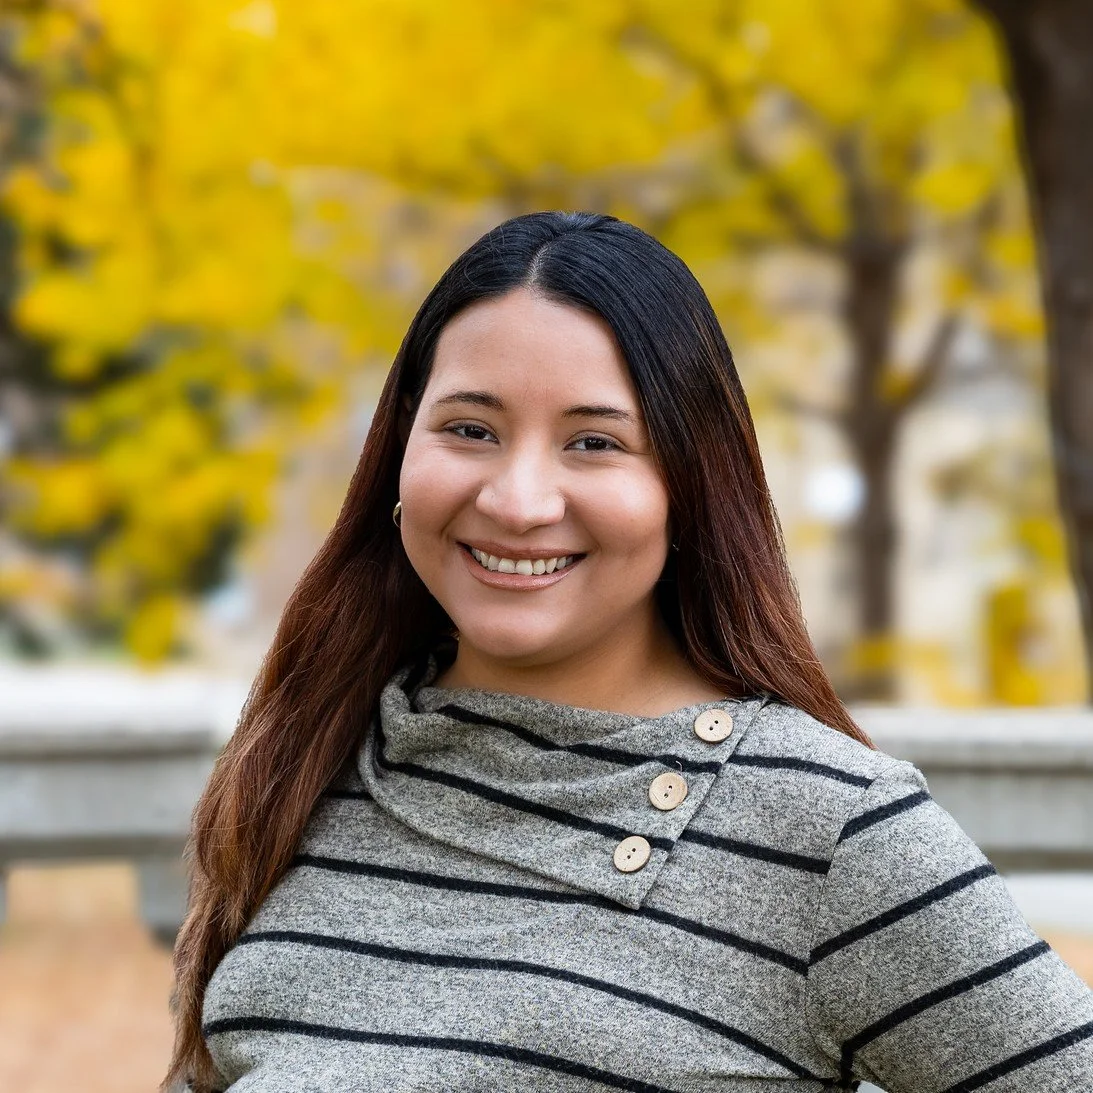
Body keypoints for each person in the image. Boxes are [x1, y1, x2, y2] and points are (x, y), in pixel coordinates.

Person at [163, 211, 1093, 1093]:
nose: (519, 500)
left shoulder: (832, 832)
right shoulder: (301, 763)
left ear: (688, 486)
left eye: (595, 442)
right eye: (470, 429)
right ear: (399, 451)